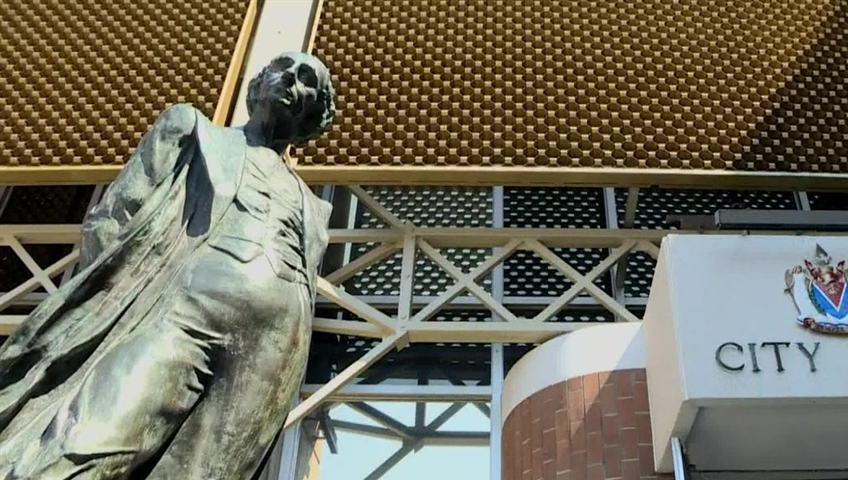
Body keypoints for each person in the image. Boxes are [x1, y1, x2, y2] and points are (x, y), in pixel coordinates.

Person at [0, 52, 335, 479]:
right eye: (282, 67)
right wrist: (109, 302)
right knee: (91, 439)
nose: (290, 78)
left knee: (207, 471)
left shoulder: (314, 211)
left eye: (306, 78)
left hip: (273, 341)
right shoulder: (192, 129)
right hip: (181, 310)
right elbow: (115, 218)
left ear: (313, 111)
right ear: (260, 81)